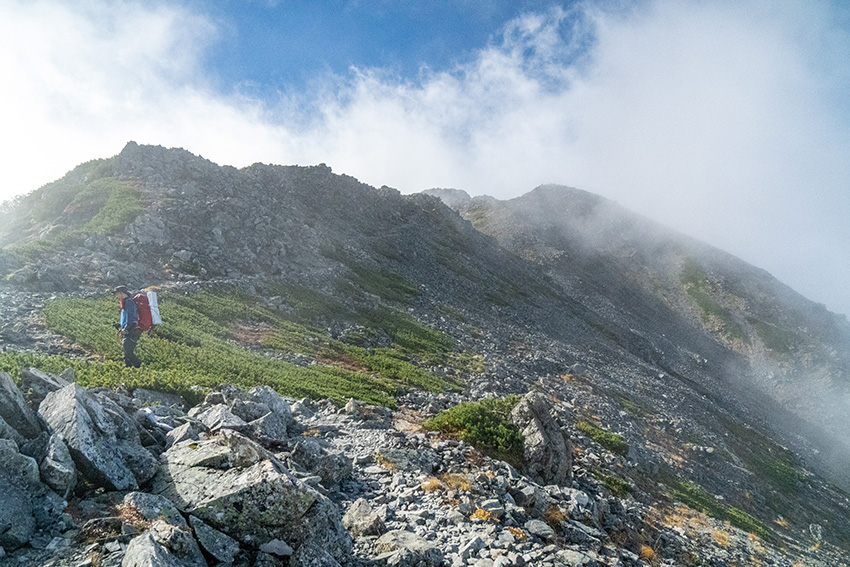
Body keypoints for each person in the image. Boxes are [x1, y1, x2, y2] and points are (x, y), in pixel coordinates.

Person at [112, 285, 142, 367]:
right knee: (126, 351)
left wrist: (127, 327)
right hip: (128, 329)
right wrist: (120, 325)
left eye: (117, 294)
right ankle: (128, 369)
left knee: (128, 351)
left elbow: (131, 317)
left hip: (131, 330)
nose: (116, 296)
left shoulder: (128, 302)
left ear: (121, 293)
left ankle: (139, 367)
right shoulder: (126, 302)